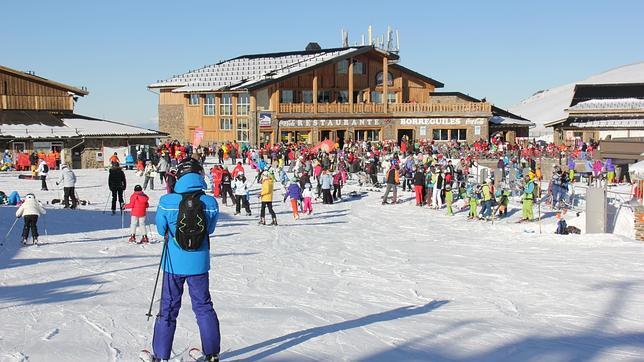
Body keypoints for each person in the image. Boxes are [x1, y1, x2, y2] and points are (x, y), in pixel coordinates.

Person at [151, 158, 221, 362]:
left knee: (168, 308)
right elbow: (210, 229)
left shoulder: (167, 202)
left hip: (173, 263)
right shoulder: (210, 202)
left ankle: (161, 355)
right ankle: (212, 354)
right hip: (199, 263)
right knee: (203, 306)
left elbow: (160, 229)